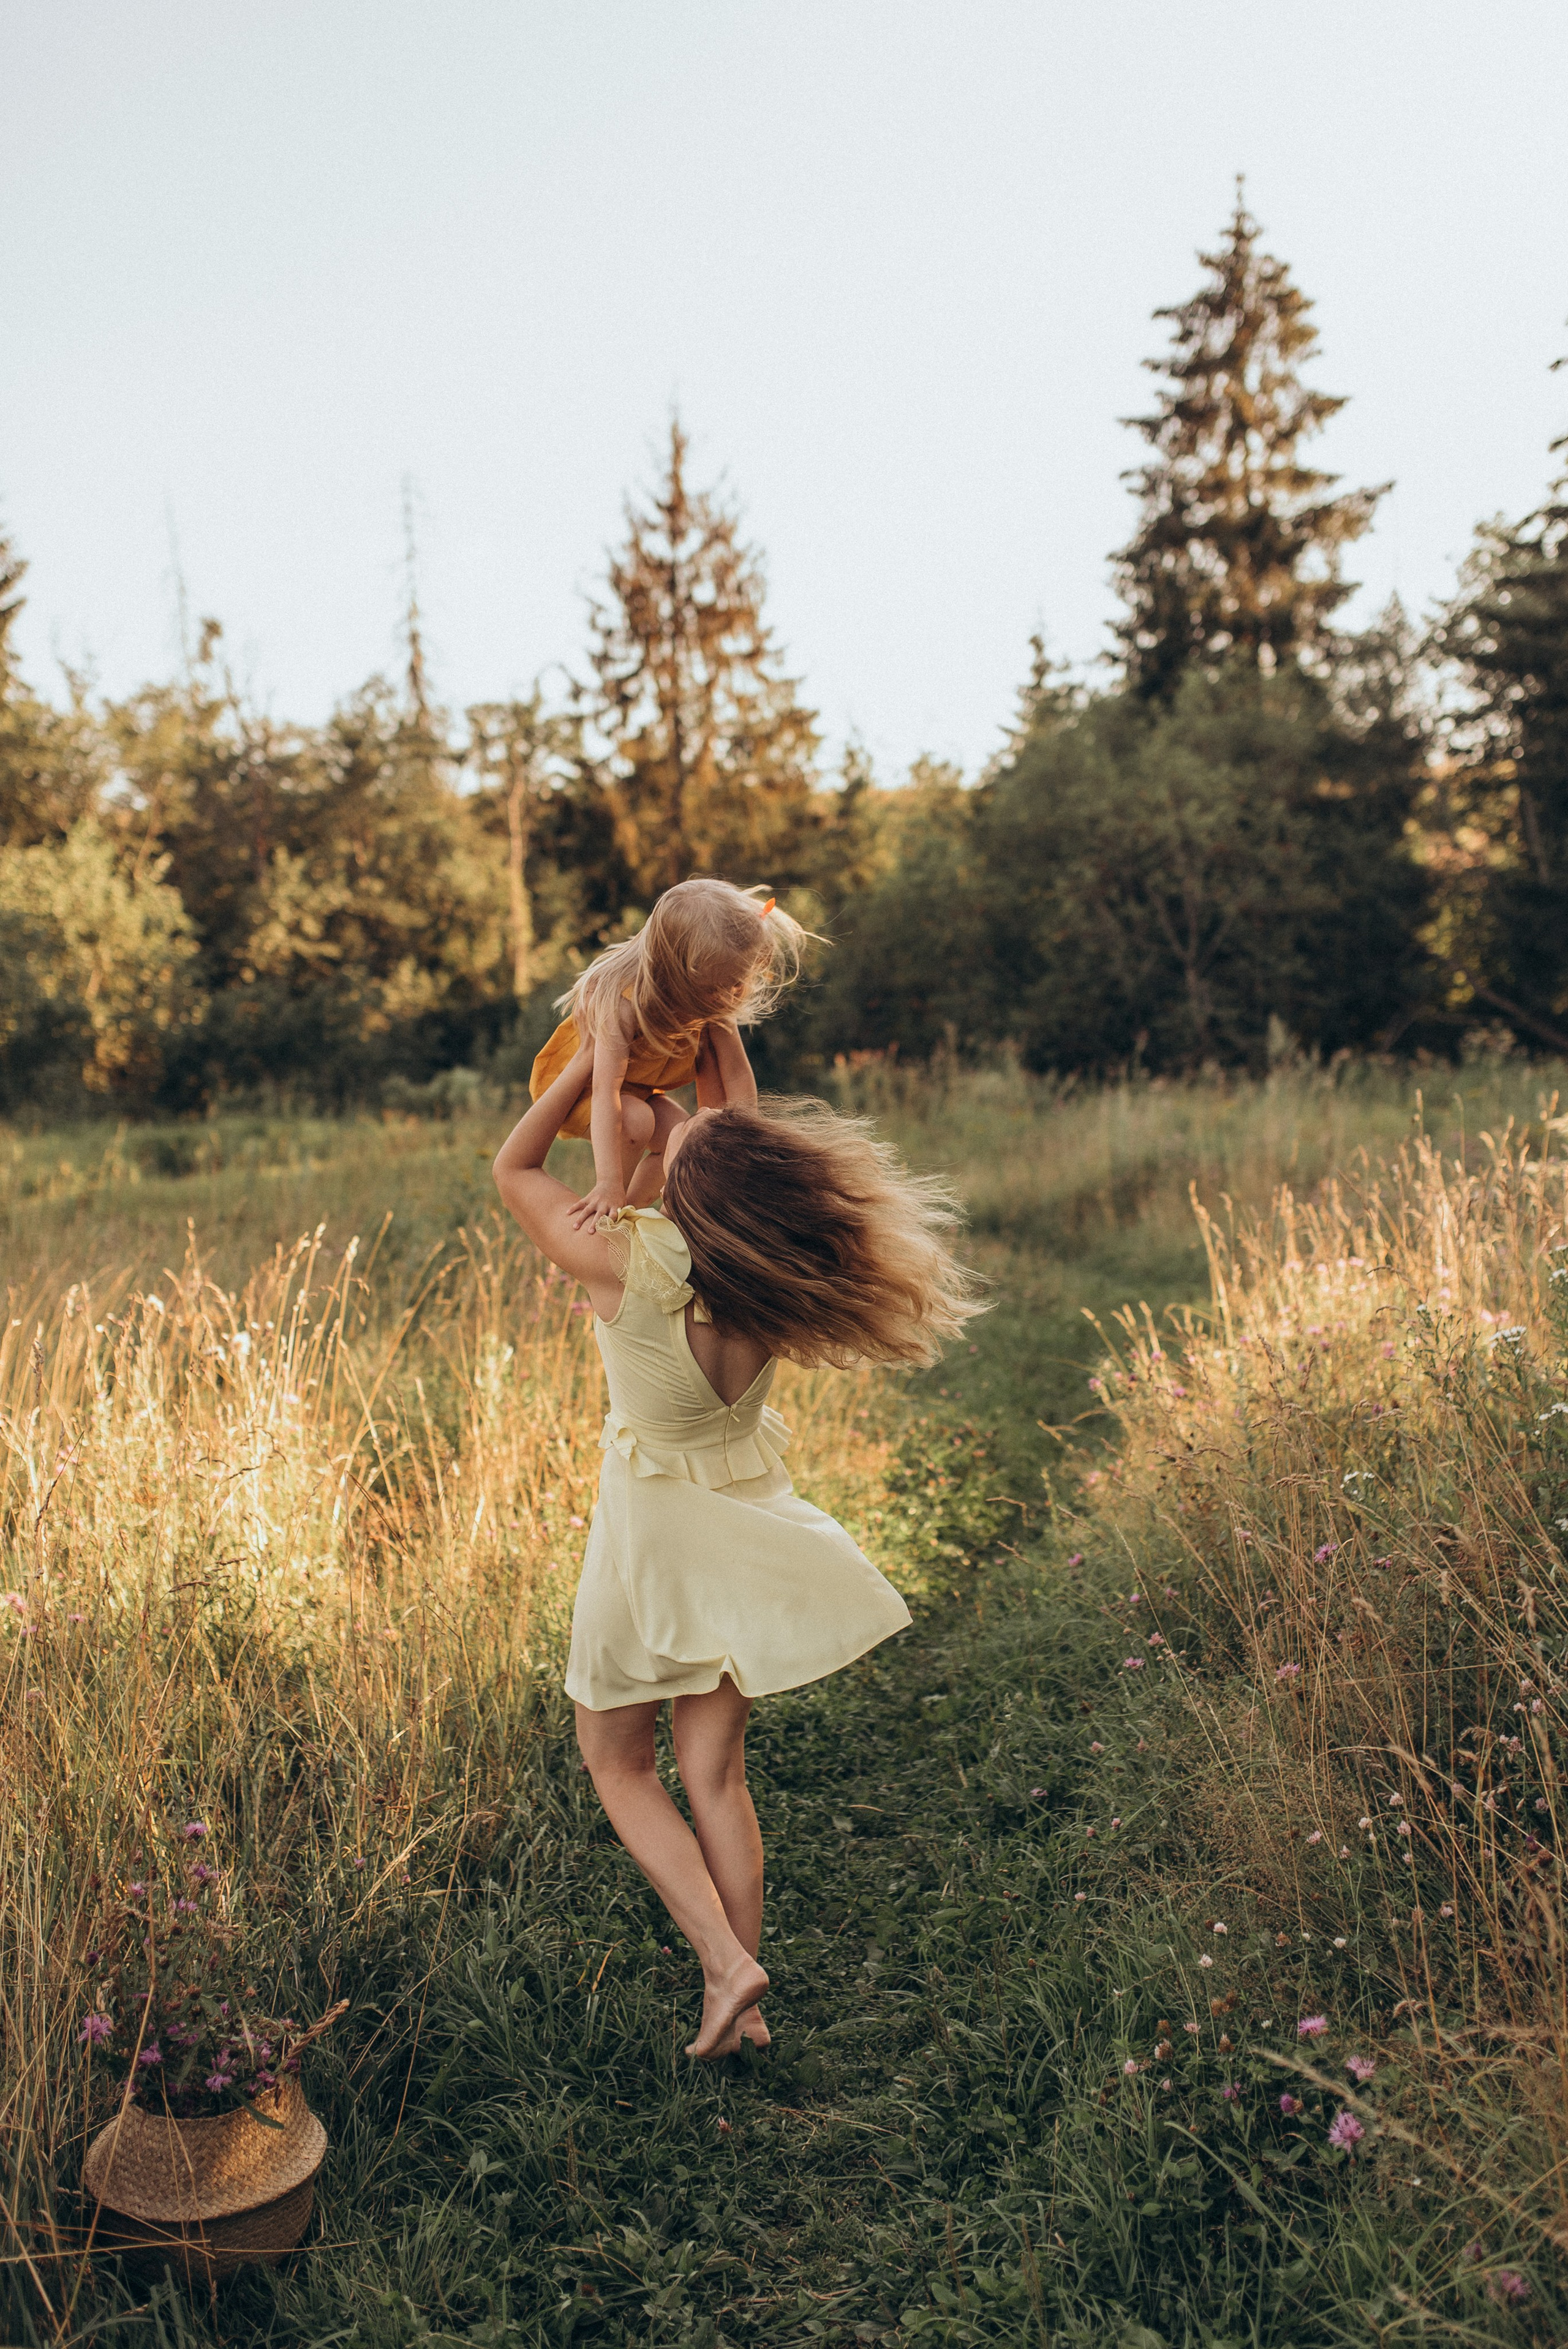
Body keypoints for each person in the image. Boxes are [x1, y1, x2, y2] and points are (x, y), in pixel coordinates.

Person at [493, 1034, 981, 2059]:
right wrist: (712, 1022)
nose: (680, 1113)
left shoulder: (627, 1256)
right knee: (715, 1774)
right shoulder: (764, 1263)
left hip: (652, 1537)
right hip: (742, 1518)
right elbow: (732, 1119)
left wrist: (598, 1052)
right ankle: (743, 2008)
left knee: (616, 1760)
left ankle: (725, 1961)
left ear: (674, 1182)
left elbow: (513, 1168)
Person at [527, 877, 809, 1232]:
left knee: (688, 1139)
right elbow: (605, 1092)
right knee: (638, 1121)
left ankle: (636, 1216)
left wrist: (746, 1140)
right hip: (584, 1091)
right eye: (721, 986)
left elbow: (736, 1073)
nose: (734, 994)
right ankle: (609, 1211)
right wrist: (608, 1181)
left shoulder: (712, 996)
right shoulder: (624, 1003)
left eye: (739, 981)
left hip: (638, 1093)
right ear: (677, 972)